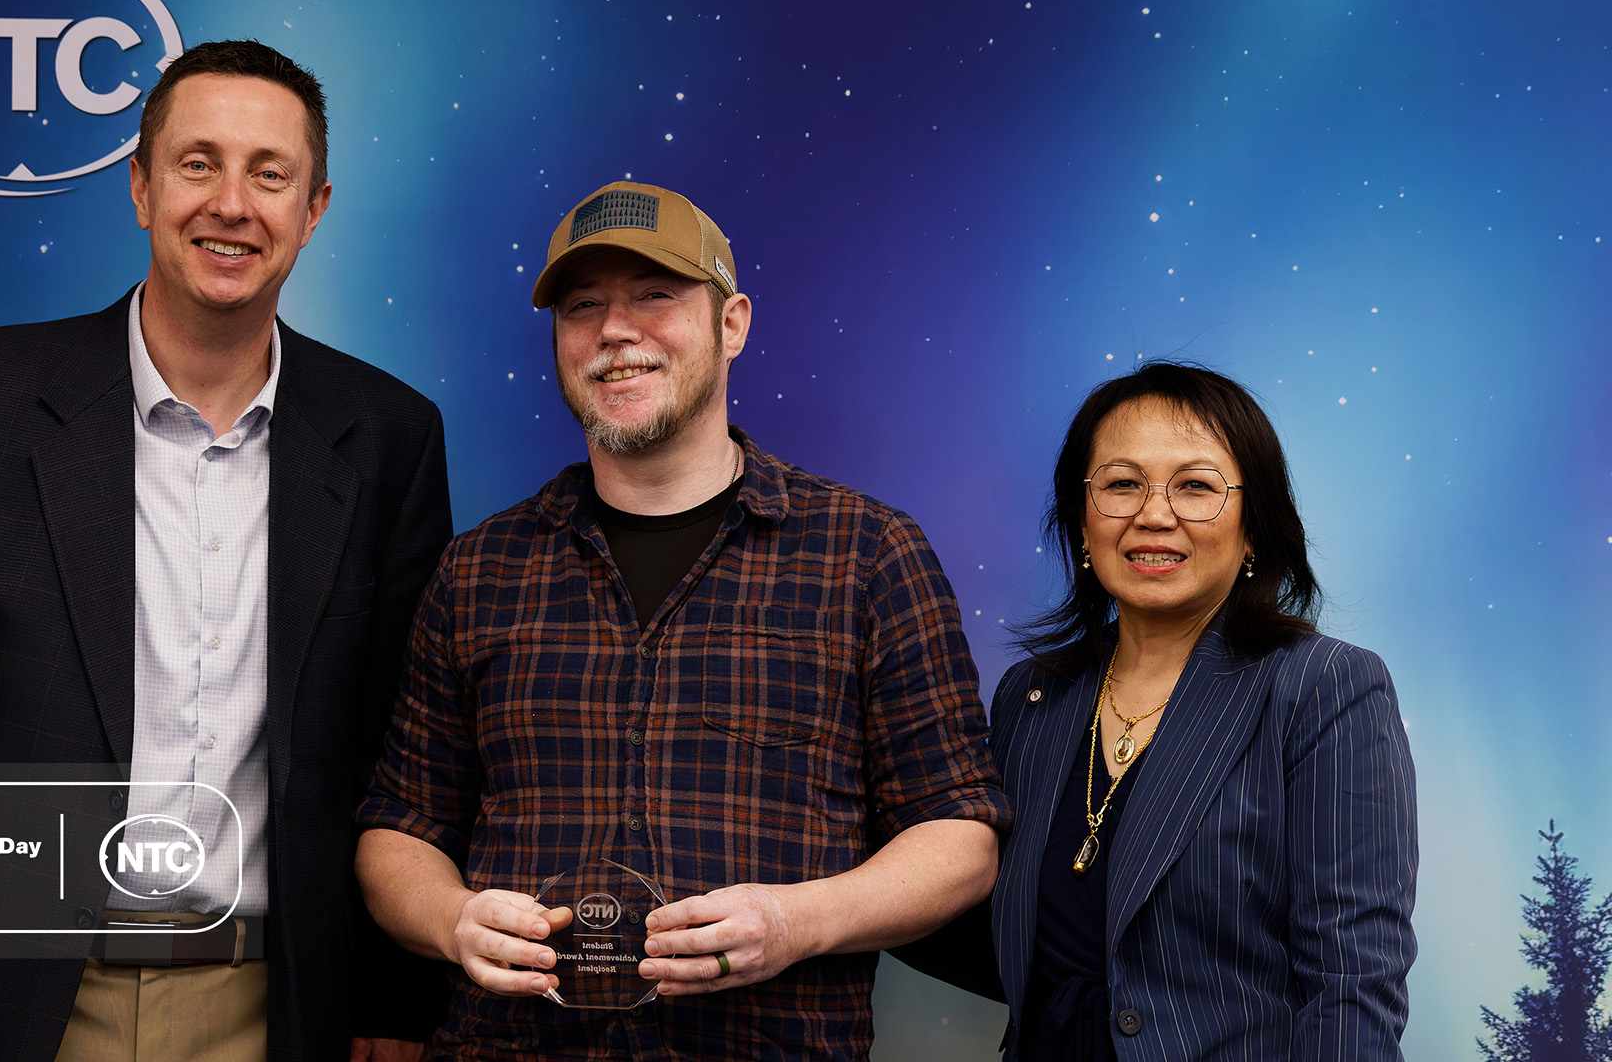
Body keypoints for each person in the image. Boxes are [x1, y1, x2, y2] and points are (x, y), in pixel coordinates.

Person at [0, 41, 448, 1062]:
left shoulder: (390, 438)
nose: (231, 203)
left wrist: (395, 1007)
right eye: (197, 164)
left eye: (268, 173)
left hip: (275, 1007)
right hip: (11, 1007)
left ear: (314, 208)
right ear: (141, 187)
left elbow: (402, 756)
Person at [352, 180, 1011, 1060]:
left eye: (655, 296)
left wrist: (796, 920)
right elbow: (400, 829)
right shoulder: (478, 570)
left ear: (731, 323)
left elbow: (959, 836)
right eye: (584, 307)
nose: (616, 331)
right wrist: (450, 921)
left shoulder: (868, 554)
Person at [906, 362, 1417, 1059]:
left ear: (1254, 527)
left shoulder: (1325, 687)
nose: (1154, 513)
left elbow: (1353, 986)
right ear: (1082, 524)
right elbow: (1005, 936)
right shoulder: (1032, 697)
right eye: (1121, 484)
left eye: (1196, 486)